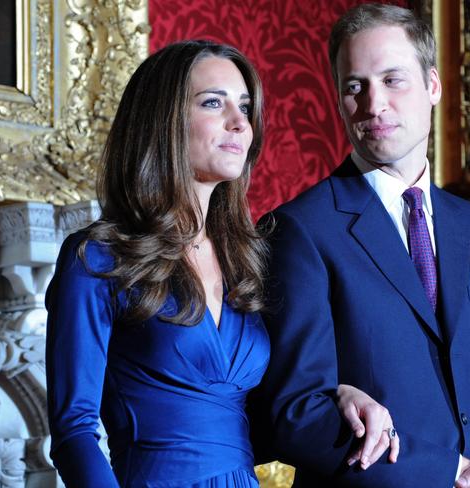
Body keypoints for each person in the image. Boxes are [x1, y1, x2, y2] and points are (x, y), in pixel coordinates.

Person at [45, 40, 387, 488]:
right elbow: (74, 430)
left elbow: (262, 418)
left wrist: (339, 394)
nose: (240, 123)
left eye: (245, 107)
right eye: (213, 103)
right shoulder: (97, 257)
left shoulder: (249, 258)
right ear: (163, 121)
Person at [256, 4, 470, 487]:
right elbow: (298, 412)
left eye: (393, 80)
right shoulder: (298, 230)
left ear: (433, 86)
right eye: (355, 87)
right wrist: (448, 471)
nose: (374, 105)